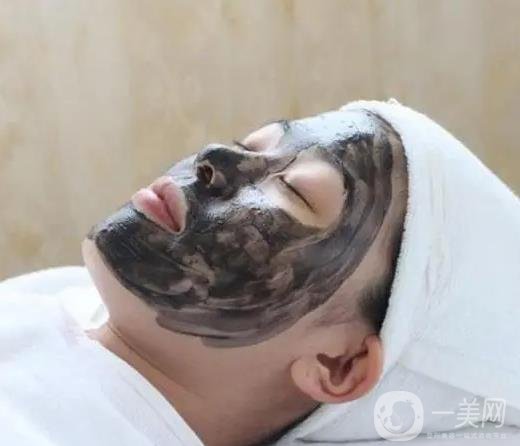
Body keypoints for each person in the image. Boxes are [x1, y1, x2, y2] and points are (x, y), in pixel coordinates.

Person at [1, 99, 519, 446]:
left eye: (292, 192)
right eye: (251, 147)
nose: (214, 157)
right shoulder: (61, 297)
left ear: (337, 365)